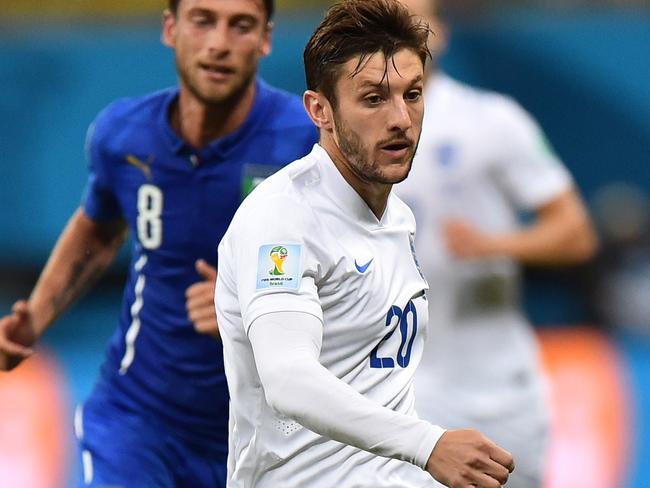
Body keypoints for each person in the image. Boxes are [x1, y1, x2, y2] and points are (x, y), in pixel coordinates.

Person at [0, 0, 318, 486]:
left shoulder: (307, 144)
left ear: (266, 39)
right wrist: (35, 318)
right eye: (203, 20)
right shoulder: (124, 134)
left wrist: (253, 308)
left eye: (241, 25)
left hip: (261, 436)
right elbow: (98, 226)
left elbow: (360, 274)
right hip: (138, 420)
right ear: (171, 28)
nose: (219, 43)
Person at [216, 1, 515, 486]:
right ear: (320, 110)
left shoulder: (398, 217)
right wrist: (428, 444)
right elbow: (287, 379)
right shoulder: (282, 217)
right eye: (374, 99)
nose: (401, 118)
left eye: (412, 95)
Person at [395, 1, 598, 487]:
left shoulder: (491, 120)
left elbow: (577, 232)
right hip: (403, 389)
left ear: (439, 33)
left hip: (498, 389)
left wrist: (496, 245)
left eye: (412, 18)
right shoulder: (341, 132)